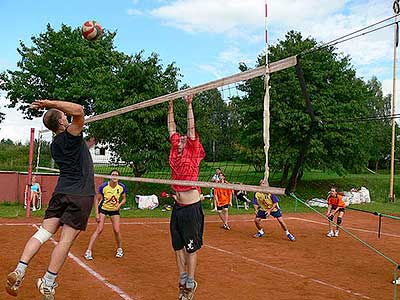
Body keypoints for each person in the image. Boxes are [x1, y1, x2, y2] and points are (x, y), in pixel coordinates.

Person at [6, 99, 95, 299]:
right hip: (79, 195)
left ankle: (20, 270)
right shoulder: (70, 136)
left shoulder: (55, 144)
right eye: (64, 116)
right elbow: (79, 110)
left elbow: (76, 120)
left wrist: (52, 109)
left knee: (43, 233)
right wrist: (48, 103)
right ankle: (48, 281)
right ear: (62, 123)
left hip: (61, 193)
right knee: (66, 240)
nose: (67, 117)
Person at [168, 94, 205, 300]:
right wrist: (170, 107)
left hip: (191, 207)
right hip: (178, 207)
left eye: (184, 139)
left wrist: (189, 104)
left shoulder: (193, 150)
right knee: (177, 245)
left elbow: (190, 129)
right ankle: (182, 277)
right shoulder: (175, 150)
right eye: (180, 139)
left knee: (191, 248)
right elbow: (172, 129)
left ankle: (190, 283)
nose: (181, 139)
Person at [84, 169, 127, 260]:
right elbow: (96, 199)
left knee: (116, 230)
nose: (114, 176)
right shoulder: (104, 186)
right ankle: (88, 251)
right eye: (113, 174)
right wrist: (96, 214)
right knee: (99, 229)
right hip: (103, 209)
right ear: (110, 177)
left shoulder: (121, 187)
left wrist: (119, 205)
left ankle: (119, 249)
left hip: (114, 210)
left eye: (116, 175)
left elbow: (124, 199)